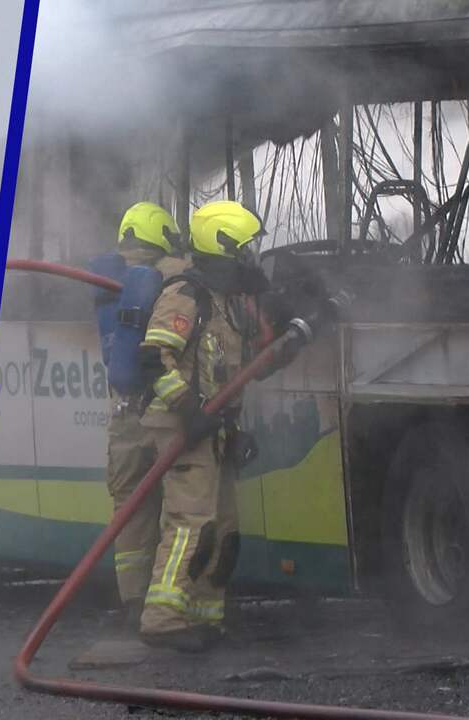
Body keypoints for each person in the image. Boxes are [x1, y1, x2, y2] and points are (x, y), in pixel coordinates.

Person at [134, 199, 267, 650]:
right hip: (183, 427)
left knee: (222, 529)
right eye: (245, 249)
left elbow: (229, 374)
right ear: (223, 246)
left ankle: (204, 615)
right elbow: (154, 359)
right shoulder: (185, 295)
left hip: (213, 430)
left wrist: (231, 426)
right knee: (189, 524)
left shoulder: (224, 302)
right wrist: (190, 410)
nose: (251, 258)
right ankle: (162, 619)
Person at [106, 201, 190, 625]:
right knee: (180, 506)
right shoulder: (170, 272)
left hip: (122, 415)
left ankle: (132, 600)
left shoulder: (108, 277)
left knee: (129, 506)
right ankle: (168, 603)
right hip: (159, 411)